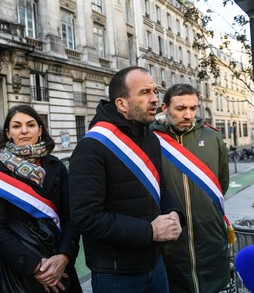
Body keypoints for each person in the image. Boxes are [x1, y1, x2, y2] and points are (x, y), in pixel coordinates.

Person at [69, 66, 184, 293]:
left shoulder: (150, 138)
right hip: (116, 276)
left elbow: (159, 188)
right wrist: (149, 231)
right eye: (144, 93)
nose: (154, 99)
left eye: (154, 91)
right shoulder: (91, 147)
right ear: (121, 103)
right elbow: (86, 218)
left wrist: (174, 213)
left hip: (155, 264)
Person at [0, 105, 82, 292]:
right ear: (8, 133)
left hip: (61, 266)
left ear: (40, 130)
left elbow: (71, 216)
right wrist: (35, 266)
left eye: (31, 124)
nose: (24, 131)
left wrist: (64, 256)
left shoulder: (56, 167)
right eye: (17, 126)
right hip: (20, 272)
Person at [150, 83, 230, 293]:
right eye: (181, 108)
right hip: (170, 240)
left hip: (209, 234)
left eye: (193, 108)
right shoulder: (149, 139)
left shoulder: (212, 137)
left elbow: (222, 182)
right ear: (164, 108)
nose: (188, 114)